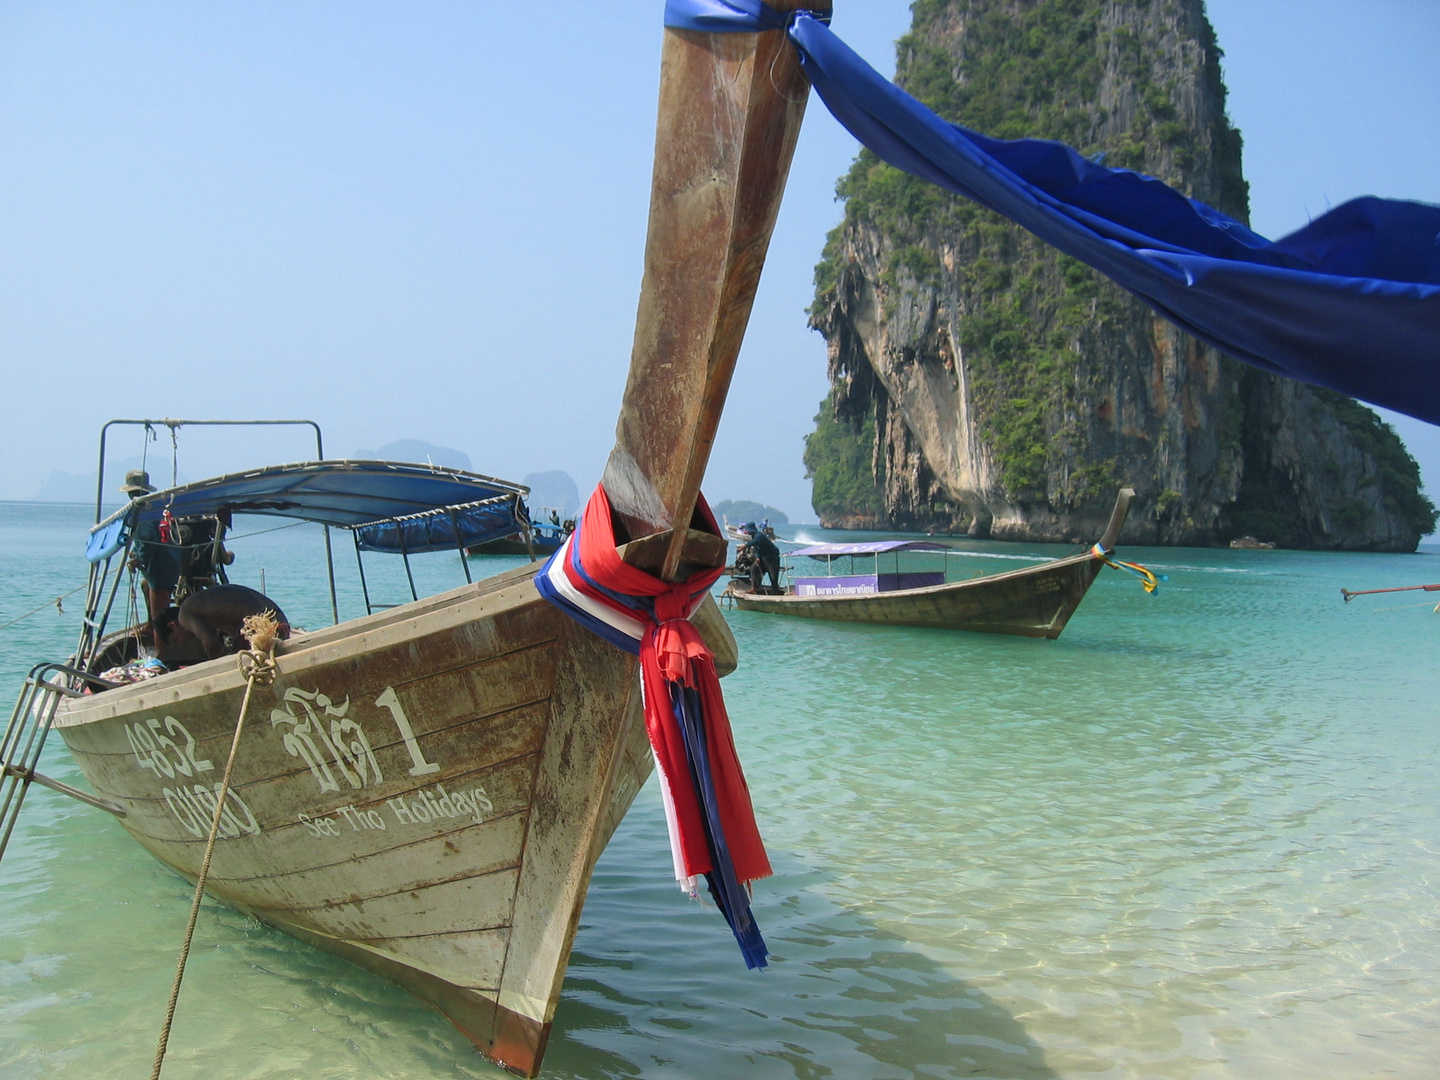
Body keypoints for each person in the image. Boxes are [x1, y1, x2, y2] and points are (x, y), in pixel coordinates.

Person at [122, 471, 181, 624]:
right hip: (171, 562)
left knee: (160, 621)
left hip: (160, 568)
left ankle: (160, 644)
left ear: (131, 493)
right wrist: (136, 553)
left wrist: (140, 559)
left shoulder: (142, 511)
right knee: (145, 584)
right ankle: (150, 626)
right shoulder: (156, 507)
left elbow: (148, 538)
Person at [746, 528, 781, 593]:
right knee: (753, 569)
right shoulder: (754, 537)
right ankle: (754, 588)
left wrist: (744, 546)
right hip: (763, 559)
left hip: (772, 559)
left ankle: (775, 591)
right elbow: (757, 550)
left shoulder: (759, 536)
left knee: (773, 577)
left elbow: (755, 542)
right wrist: (757, 557)